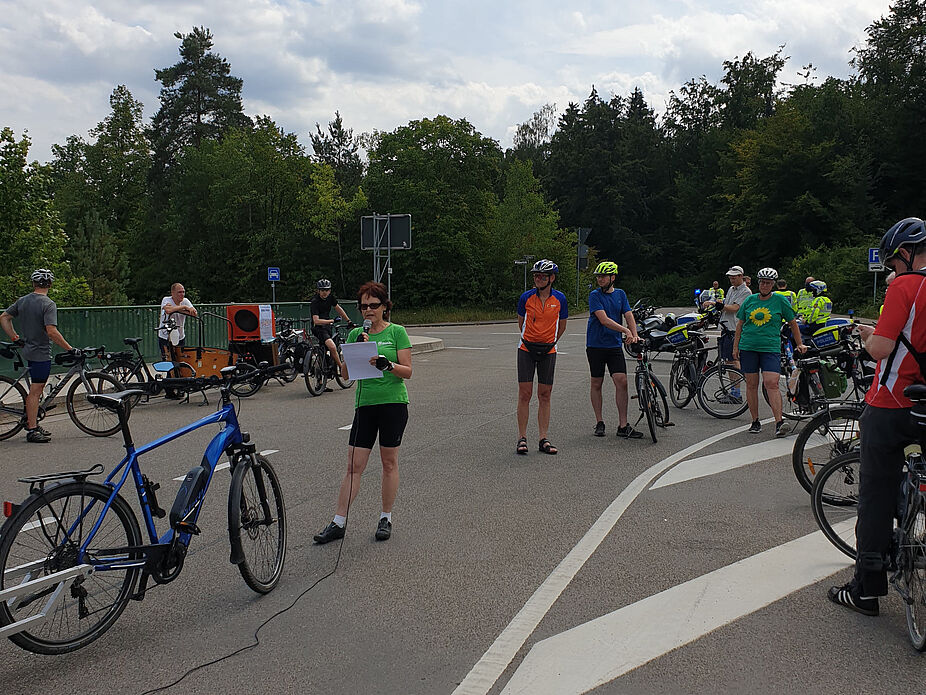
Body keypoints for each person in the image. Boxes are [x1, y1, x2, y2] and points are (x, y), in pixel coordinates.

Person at [828, 217, 926, 616]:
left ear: (905, 253)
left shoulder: (906, 285)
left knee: (875, 494)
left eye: (893, 261)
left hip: (892, 402)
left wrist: (870, 337)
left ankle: (866, 590)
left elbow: (883, 349)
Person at [314, 281, 413, 545]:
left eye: (373, 305)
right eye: (363, 306)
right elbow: (345, 374)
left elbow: (408, 371)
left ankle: (385, 517)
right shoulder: (357, 333)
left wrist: (387, 364)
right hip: (365, 405)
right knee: (353, 466)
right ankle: (338, 521)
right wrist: (356, 348)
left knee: (388, 463)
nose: (368, 310)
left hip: (393, 403)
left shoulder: (397, 333)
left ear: (384, 307)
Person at [0, 269, 73, 443]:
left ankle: (33, 420)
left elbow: (4, 317)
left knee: (36, 388)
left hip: (28, 350)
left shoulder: (23, 301)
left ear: (33, 284)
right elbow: (52, 332)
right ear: (50, 284)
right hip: (40, 353)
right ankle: (32, 429)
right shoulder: (48, 304)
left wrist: (15, 337)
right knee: (36, 391)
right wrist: (70, 349)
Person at [732, 267, 807, 437]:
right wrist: (735, 347)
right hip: (748, 346)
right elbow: (740, 324)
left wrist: (800, 343)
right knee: (751, 385)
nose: (764, 285)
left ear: (773, 284)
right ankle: (755, 421)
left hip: (770, 348)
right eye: (762, 282)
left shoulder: (780, 301)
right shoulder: (750, 300)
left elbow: (793, 323)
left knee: (771, 382)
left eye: (768, 283)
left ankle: (779, 422)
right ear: (759, 283)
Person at [516, 259, 568, 455]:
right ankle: (522, 437)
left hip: (549, 351)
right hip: (526, 349)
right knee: (525, 393)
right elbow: (521, 322)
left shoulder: (560, 299)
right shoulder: (526, 298)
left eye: (542, 276)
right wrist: (532, 338)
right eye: (536, 276)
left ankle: (543, 438)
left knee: (545, 395)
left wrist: (550, 341)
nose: (538, 279)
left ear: (551, 278)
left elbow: (562, 325)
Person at [586, 261, 642, 439]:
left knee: (622, 381)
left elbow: (628, 314)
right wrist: (625, 331)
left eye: (603, 276)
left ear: (613, 277)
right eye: (598, 277)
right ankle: (599, 421)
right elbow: (604, 320)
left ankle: (623, 425)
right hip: (596, 345)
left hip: (613, 346)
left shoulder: (620, 294)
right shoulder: (594, 295)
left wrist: (634, 334)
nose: (600, 279)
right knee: (597, 382)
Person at [310, 279, 352, 379]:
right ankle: (342, 369)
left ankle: (321, 381)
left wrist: (348, 321)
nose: (325, 292)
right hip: (318, 328)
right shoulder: (315, 302)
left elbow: (338, 308)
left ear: (329, 291)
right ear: (318, 291)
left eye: (327, 290)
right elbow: (316, 321)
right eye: (322, 290)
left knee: (323, 352)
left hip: (327, 327)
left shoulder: (330, 298)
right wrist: (332, 320)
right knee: (332, 347)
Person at [718, 266, 751, 375]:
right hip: (726, 327)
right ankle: (733, 388)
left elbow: (735, 308)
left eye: (734, 278)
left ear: (741, 276)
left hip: (734, 328)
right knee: (728, 360)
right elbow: (727, 304)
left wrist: (719, 306)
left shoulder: (746, 291)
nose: (732, 280)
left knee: (733, 360)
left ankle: (736, 390)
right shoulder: (731, 289)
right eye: (730, 278)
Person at [157, 282, 197, 357]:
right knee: (168, 360)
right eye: (179, 292)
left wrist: (175, 309)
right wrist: (183, 307)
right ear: (173, 293)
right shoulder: (166, 299)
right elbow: (168, 310)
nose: (182, 294)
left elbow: (194, 313)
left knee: (180, 360)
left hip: (180, 336)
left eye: (183, 292)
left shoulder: (185, 301)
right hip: (166, 336)